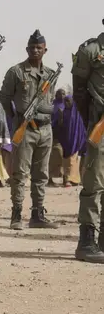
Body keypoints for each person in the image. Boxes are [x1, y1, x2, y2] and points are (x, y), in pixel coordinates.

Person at [0, 30, 58, 230]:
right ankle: (16, 214)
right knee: (20, 174)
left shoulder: (51, 74)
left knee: (41, 174)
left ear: (45, 50)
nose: (35, 50)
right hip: (25, 130)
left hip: (45, 129)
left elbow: (50, 102)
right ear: (27, 49)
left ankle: (38, 214)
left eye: (39, 48)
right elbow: (4, 98)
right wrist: (16, 119)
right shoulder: (16, 72)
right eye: (32, 47)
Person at [71, 20, 104, 263]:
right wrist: (91, 120)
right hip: (100, 127)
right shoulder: (91, 51)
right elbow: (79, 91)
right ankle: (86, 242)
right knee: (94, 183)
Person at [54, 95, 86, 186]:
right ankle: (67, 179)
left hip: (75, 141)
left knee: (74, 160)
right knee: (67, 161)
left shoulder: (77, 113)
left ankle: (74, 180)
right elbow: (59, 126)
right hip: (65, 141)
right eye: (65, 101)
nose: (67, 103)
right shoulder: (63, 112)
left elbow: (81, 128)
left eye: (69, 101)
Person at [48, 88, 67, 184]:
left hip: (65, 133)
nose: (63, 95)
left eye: (64, 93)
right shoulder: (52, 105)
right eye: (60, 94)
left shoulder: (67, 104)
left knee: (65, 156)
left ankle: (65, 178)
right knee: (53, 156)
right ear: (56, 95)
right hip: (54, 133)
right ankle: (50, 178)